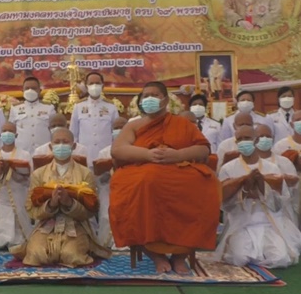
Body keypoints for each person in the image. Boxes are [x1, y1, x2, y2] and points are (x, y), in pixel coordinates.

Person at [110, 81, 221, 274]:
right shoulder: (134, 125)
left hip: (178, 169)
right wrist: (148, 155)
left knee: (205, 184)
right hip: (143, 170)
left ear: (165, 100)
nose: (149, 99)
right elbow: (118, 150)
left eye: (154, 95)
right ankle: (156, 255)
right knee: (144, 183)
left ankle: (180, 256)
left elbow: (203, 148)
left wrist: (177, 155)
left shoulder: (182, 123)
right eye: (145, 96)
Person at [11, 128, 112, 266]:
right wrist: (51, 204)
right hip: (46, 226)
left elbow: (92, 209)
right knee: (36, 255)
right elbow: (31, 208)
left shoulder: (85, 173)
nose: (61, 146)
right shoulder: (39, 174)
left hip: (76, 226)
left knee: (72, 255)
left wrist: (69, 203)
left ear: (74, 146)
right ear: (51, 146)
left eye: (65, 142)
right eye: (57, 142)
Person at [216, 126, 301, 268]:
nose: (243, 142)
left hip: (269, 223)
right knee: (239, 259)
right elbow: (224, 204)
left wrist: (261, 190)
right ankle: (253, 253)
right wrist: (244, 191)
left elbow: (280, 203)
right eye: (239, 139)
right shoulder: (228, 168)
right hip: (242, 224)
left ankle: (260, 253)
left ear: (256, 140)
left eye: (247, 138)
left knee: (280, 259)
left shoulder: (272, 168)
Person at [0, 122, 34, 250]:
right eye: (4, 131)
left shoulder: (24, 154)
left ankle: (17, 241)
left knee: (17, 213)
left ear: (16, 134)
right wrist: (0, 171)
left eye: (10, 131)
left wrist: (13, 170)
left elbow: (28, 176)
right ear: (0, 134)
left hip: (17, 190)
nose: (7, 133)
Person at [70, 72, 119, 165]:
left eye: (97, 83)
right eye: (91, 83)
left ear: (102, 86)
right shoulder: (78, 106)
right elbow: (73, 134)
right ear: (86, 86)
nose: (94, 86)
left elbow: (116, 133)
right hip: (84, 156)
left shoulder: (111, 107)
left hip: (105, 157)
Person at [93, 117, 128, 249]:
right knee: (105, 216)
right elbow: (98, 177)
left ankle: (128, 245)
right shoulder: (104, 152)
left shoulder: (136, 149)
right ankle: (104, 245)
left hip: (129, 190)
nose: (119, 131)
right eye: (116, 128)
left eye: (122, 127)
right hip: (108, 188)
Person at [9, 77, 57, 154]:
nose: (30, 91)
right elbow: (11, 130)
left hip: (44, 151)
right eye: (27, 88)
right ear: (22, 91)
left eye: (34, 88)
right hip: (22, 151)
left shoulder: (49, 108)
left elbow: (55, 131)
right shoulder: (15, 108)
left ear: (40, 91)